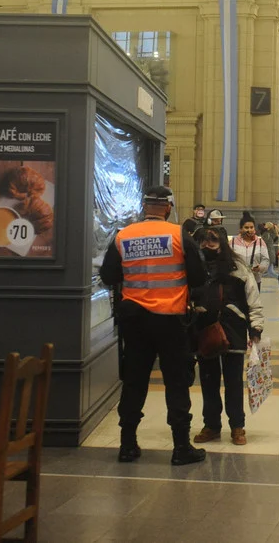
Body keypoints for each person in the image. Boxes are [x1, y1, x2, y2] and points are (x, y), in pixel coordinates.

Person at [99, 186, 209, 465]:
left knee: (134, 380)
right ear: (169, 208)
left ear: (144, 207)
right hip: (170, 320)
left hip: (135, 320)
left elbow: (108, 275)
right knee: (176, 382)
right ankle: (181, 447)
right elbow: (198, 278)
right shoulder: (178, 236)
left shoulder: (123, 236)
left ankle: (127, 444)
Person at [191, 227, 265, 446]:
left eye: (213, 240)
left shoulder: (238, 267)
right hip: (205, 330)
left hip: (233, 329)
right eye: (204, 241)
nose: (208, 244)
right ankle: (211, 425)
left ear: (222, 242)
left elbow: (253, 297)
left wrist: (256, 327)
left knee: (233, 383)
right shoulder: (196, 268)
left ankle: (237, 427)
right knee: (208, 381)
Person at [232, 211, 271, 288]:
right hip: (237, 281)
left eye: (251, 227)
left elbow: (265, 260)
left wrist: (260, 268)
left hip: (255, 280)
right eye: (246, 227)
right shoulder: (232, 242)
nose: (249, 230)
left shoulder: (260, 242)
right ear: (241, 229)